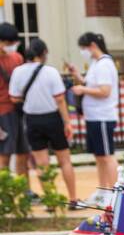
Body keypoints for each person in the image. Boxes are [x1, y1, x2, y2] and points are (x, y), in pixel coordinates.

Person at [9, 39, 81, 208]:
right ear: (43, 54)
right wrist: (67, 122)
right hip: (53, 119)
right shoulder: (50, 72)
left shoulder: (18, 72)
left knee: (42, 164)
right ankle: (73, 199)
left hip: (32, 120)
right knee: (65, 160)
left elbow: (13, 97)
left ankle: (51, 201)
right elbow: (60, 99)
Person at [66, 31, 118, 198]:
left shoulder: (104, 64)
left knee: (107, 155)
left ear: (92, 46)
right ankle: (103, 189)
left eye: (83, 48)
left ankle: (115, 192)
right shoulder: (96, 63)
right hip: (93, 116)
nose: (83, 52)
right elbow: (92, 84)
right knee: (99, 156)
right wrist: (78, 77)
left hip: (102, 115)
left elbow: (105, 91)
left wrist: (82, 89)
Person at [0, 22, 29, 185]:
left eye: (13, 43)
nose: (12, 46)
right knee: (4, 155)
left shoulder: (17, 58)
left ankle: (25, 190)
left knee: (23, 153)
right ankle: (4, 194)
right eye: (8, 43)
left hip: (19, 110)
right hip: (3, 112)